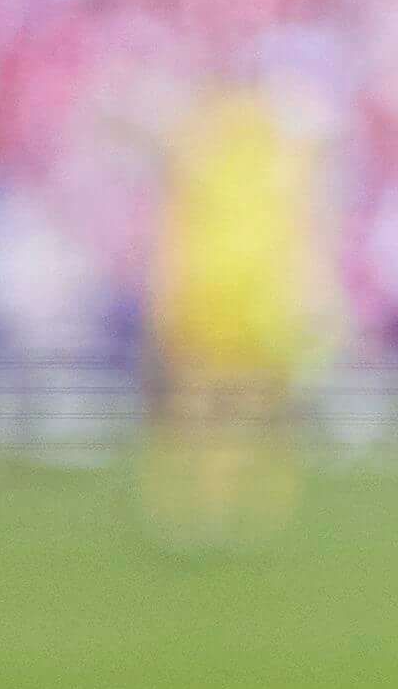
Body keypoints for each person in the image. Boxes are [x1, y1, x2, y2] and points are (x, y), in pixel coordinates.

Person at [140, 84, 332, 553]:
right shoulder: (224, 156)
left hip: (247, 298)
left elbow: (301, 228)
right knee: (205, 406)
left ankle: (246, 509)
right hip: (222, 297)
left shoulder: (270, 157)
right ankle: (209, 508)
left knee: (247, 407)